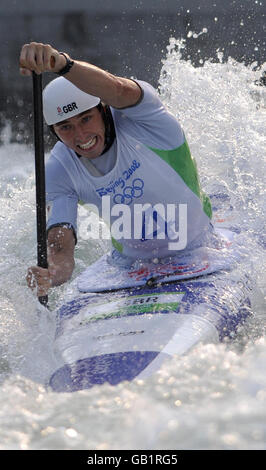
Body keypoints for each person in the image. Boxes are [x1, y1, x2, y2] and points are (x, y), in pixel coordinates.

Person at [20, 42, 212, 297]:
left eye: (86, 119)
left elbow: (118, 89)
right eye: (65, 127)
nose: (80, 135)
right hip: (129, 267)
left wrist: (62, 64)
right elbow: (60, 244)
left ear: (104, 110)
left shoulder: (147, 121)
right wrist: (52, 272)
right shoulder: (59, 167)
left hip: (200, 249)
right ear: (53, 132)